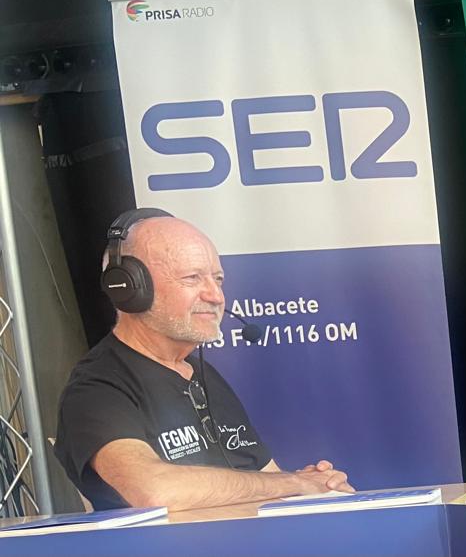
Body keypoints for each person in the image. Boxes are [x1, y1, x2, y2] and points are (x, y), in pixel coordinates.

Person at [55, 209, 355, 510]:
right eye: (193, 278)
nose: (216, 296)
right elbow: (154, 492)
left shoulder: (204, 375)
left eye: (218, 279)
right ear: (129, 288)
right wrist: (294, 484)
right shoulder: (96, 388)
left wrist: (321, 487)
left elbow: (267, 476)